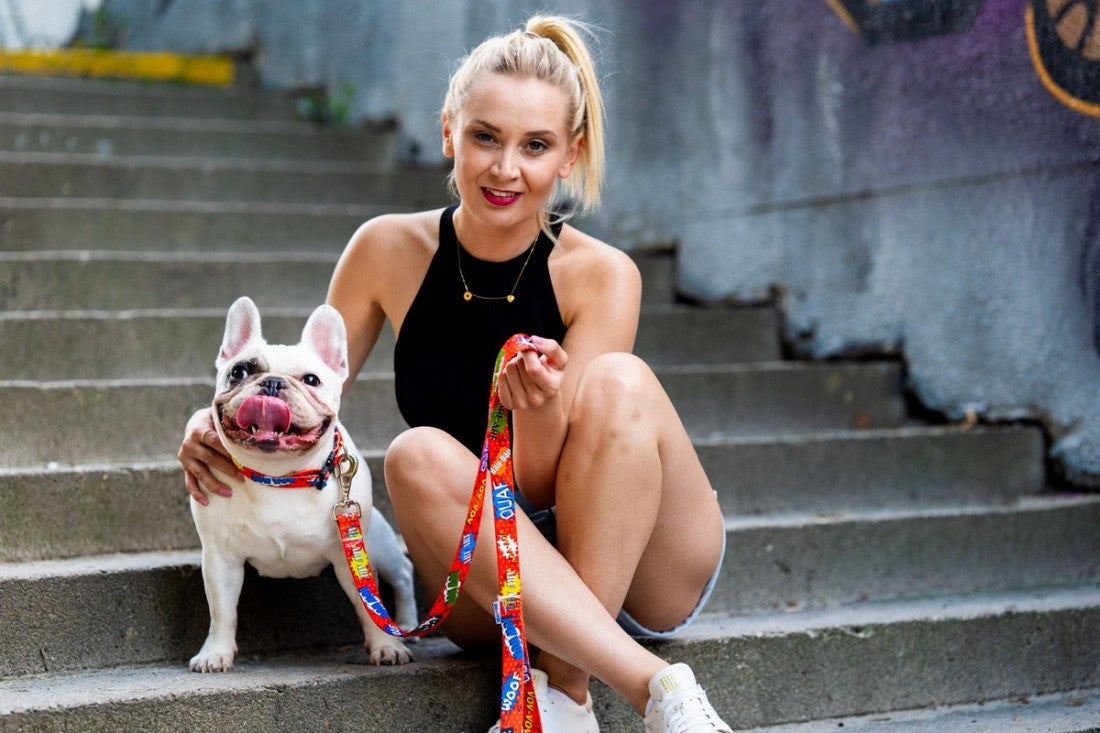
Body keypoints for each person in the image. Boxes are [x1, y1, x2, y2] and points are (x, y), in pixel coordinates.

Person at [179, 15, 731, 733]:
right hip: (491, 584)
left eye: (536, 145)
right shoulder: (384, 250)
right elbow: (308, 384)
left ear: (572, 154)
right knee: (414, 454)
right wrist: (211, 419)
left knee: (620, 382)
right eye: (485, 137)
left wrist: (533, 410)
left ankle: (565, 692)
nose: (506, 168)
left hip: (636, 556)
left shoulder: (602, 275)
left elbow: (557, 484)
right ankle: (653, 687)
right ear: (448, 131)